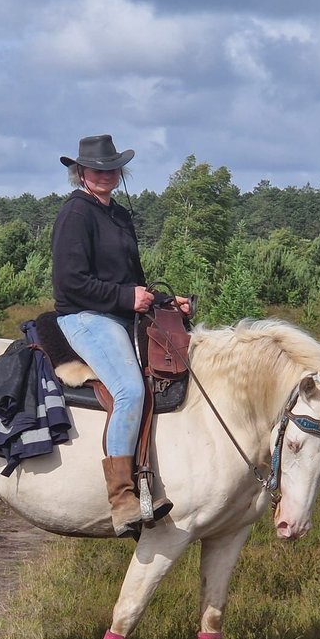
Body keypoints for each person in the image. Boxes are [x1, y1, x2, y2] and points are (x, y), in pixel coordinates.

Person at [51, 134, 191, 537]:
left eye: (112, 168)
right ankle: (123, 499)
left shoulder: (119, 214)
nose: (106, 175)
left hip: (118, 313)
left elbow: (132, 280)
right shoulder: (75, 213)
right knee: (130, 390)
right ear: (81, 173)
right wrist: (125, 297)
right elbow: (70, 282)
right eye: (97, 169)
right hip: (84, 316)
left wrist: (163, 300)